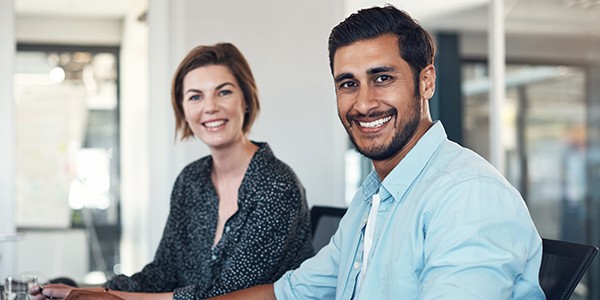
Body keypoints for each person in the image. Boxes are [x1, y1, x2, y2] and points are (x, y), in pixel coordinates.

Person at [208, 5, 546, 299]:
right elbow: (291, 292)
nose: (364, 103)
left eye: (382, 78)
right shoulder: (373, 197)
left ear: (426, 82)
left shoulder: (467, 195)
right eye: (348, 84)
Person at [32, 43, 314, 300]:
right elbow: (163, 272)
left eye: (224, 92)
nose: (210, 107)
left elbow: (230, 294)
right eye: (195, 97)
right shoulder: (190, 180)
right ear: (183, 110)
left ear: (246, 100)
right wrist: (90, 291)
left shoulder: (277, 185)